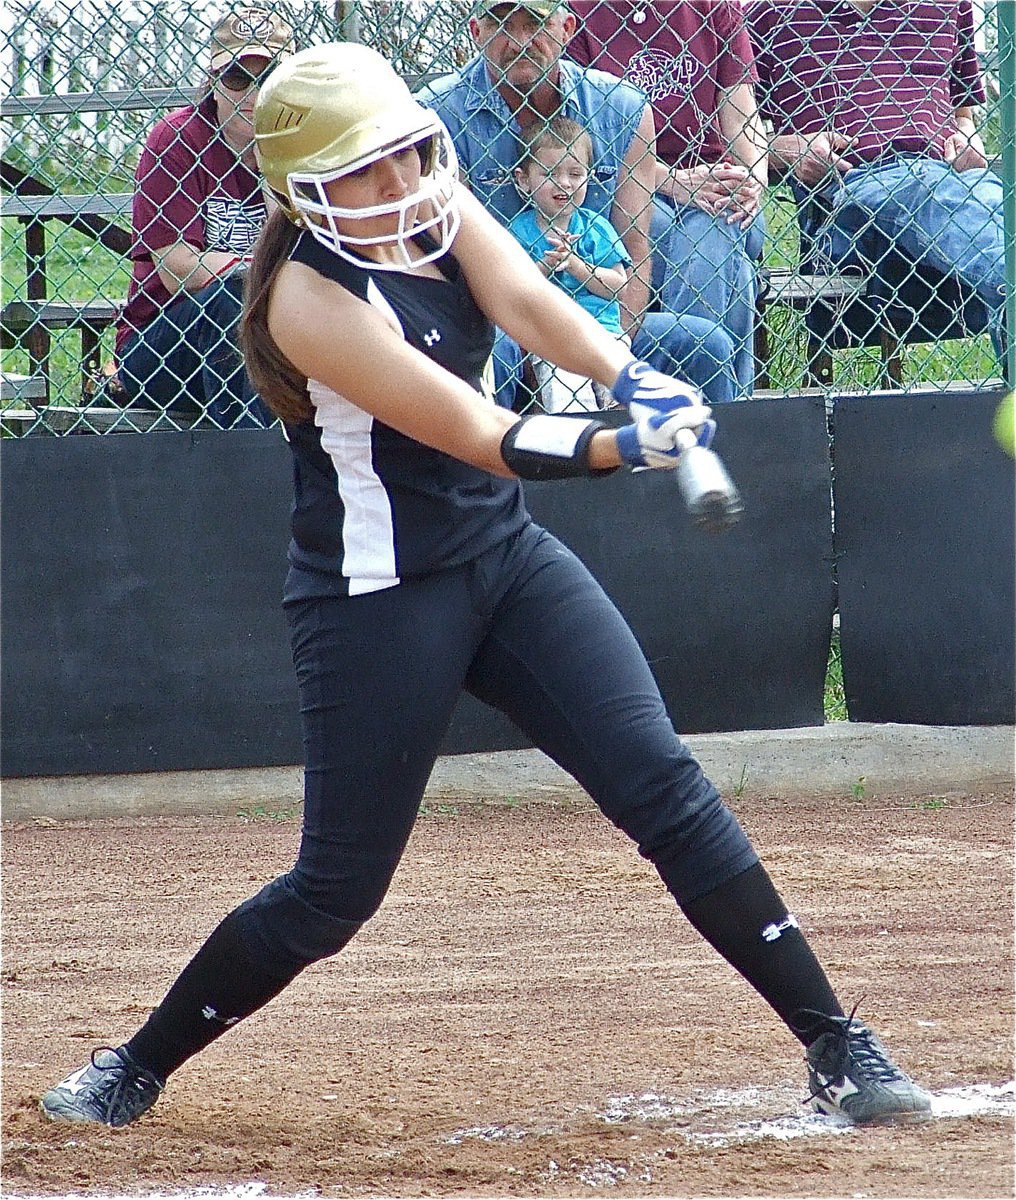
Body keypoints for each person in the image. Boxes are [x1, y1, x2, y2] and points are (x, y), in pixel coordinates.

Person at [40, 41, 930, 1133]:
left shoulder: (436, 202)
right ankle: (133, 1061)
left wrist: (629, 370)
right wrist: (626, 443)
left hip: (502, 564)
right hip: (377, 599)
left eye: (408, 157)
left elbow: (528, 303)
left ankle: (835, 1044)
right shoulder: (309, 305)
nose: (399, 186)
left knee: (663, 787)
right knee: (332, 895)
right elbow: (487, 437)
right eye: (361, 175)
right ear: (301, 199)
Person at [415, 0, 742, 408]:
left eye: (535, 24)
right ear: (476, 33)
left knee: (703, 344)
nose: (520, 42)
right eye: (501, 25)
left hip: (601, 320)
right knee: (492, 358)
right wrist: (540, 349)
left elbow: (635, 247)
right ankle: (507, 465)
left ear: (567, 28)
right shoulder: (435, 116)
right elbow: (446, 262)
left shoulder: (621, 109)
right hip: (497, 326)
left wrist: (608, 349)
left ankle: (714, 461)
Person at [746, 0, 1007, 368]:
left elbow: (962, 112)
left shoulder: (947, 5)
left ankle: (1006, 272)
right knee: (953, 199)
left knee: (969, 194)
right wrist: (784, 151)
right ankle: (1006, 265)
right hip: (844, 200)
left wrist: (966, 138)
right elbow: (727, 136)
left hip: (951, 190)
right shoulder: (770, 13)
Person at [567, 0, 768, 398]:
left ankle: (677, 414)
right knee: (732, 273)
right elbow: (587, 148)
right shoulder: (581, 11)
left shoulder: (715, 7)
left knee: (720, 227)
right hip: (633, 184)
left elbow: (743, 122)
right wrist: (677, 182)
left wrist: (750, 180)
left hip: (714, 185)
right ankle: (717, 416)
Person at [114, 7, 295, 427]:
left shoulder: (302, 145)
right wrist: (266, 273)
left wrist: (272, 160)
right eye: (236, 77)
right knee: (237, 294)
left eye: (268, 79)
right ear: (213, 82)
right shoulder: (177, 139)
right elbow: (179, 270)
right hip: (162, 343)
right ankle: (248, 466)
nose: (252, 94)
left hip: (280, 331)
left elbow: (311, 256)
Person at [509, 116, 631, 411]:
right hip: (552, 338)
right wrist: (545, 268)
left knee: (624, 397)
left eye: (575, 174)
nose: (564, 182)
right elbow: (513, 290)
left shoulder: (596, 227)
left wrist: (577, 266)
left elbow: (619, 286)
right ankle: (578, 451)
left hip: (604, 333)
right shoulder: (518, 232)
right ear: (523, 180)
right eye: (550, 173)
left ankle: (624, 449)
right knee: (570, 401)